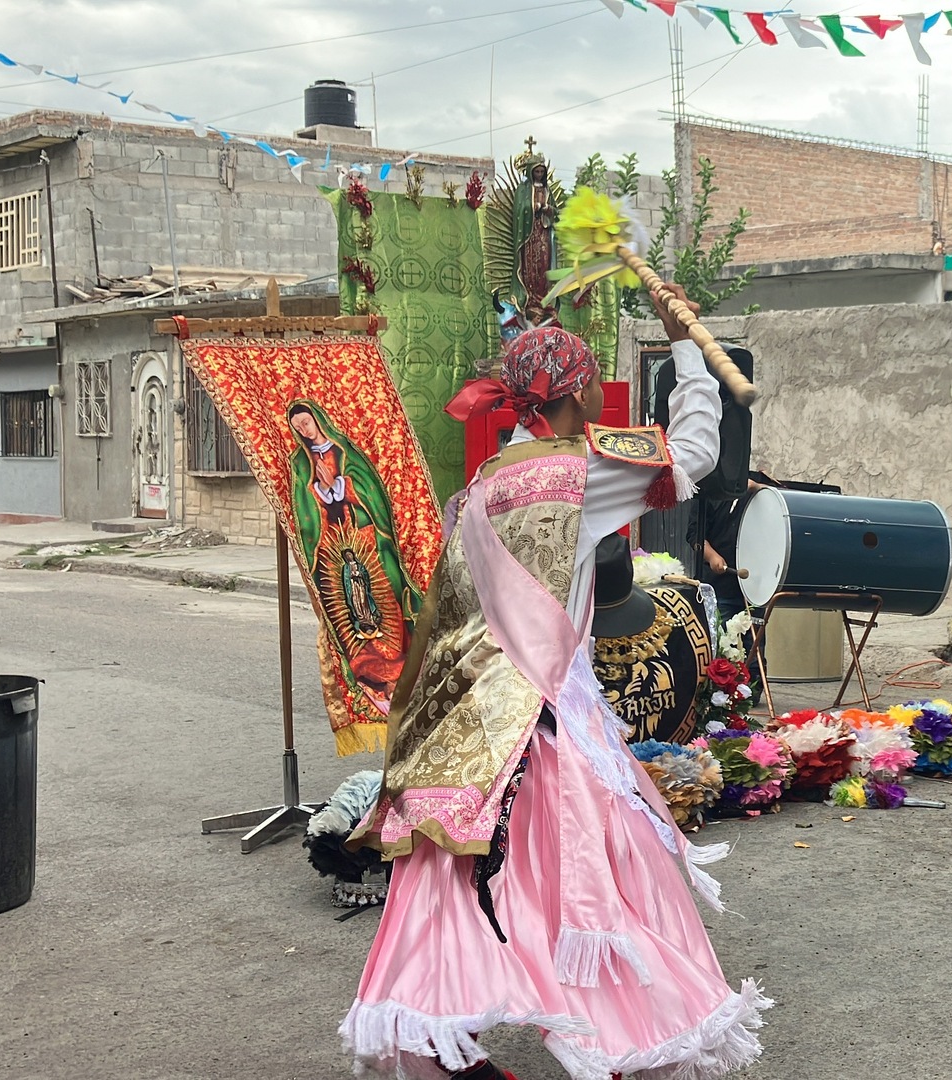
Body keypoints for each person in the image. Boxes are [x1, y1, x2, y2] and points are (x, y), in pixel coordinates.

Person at [341, 286, 772, 1080]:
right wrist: (687, 350)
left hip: (456, 744)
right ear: (580, 394)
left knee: (448, 906)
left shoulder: (473, 496)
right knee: (599, 889)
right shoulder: (580, 476)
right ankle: (626, 1048)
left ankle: (436, 1054)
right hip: (541, 727)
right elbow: (695, 456)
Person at [286, 399, 420, 717]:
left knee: (384, 598)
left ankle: (399, 666)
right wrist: (317, 492)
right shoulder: (300, 463)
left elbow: (369, 489)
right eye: (297, 427)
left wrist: (339, 486)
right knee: (349, 604)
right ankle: (370, 673)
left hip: (365, 536)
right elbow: (304, 508)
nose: (304, 429)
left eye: (306, 421)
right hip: (331, 546)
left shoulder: (345, 451)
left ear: (318, 419)